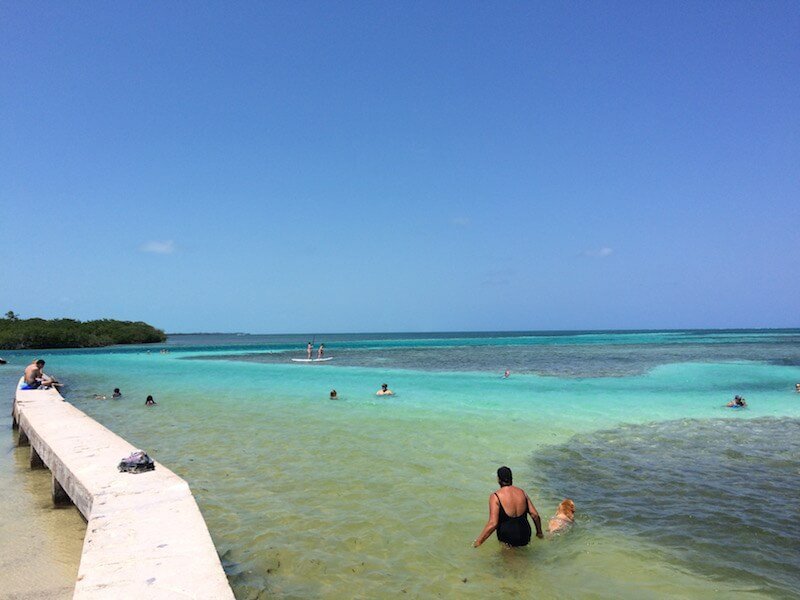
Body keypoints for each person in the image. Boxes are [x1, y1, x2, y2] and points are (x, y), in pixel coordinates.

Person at [473, 466, 543, 548]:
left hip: (508, 537)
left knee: (509, 559)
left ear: (499, 480)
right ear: (511, 478)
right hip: (525, 534)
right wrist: (539, 532)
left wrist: (478, 542)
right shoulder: (522, 493)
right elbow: (535, 515)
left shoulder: (495, 496)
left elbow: (493, 523)